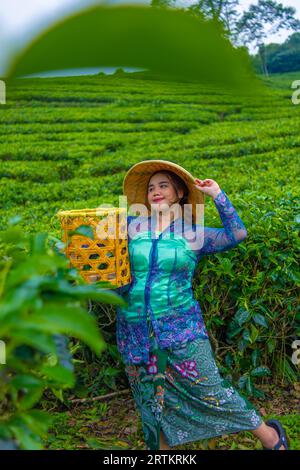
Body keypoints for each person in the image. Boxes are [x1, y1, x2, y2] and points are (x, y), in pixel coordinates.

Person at [115, 160, 289, 451]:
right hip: (134, 327)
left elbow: (237, 234)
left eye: (163, 185)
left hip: (181, 326)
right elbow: (105, 258)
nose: (155, 191)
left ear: (179, 192)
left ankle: (270, 437)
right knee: (149, 399)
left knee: (212, 390)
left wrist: (217, 194)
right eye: (150, 188)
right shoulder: (131, 227)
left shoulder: (193, 233)